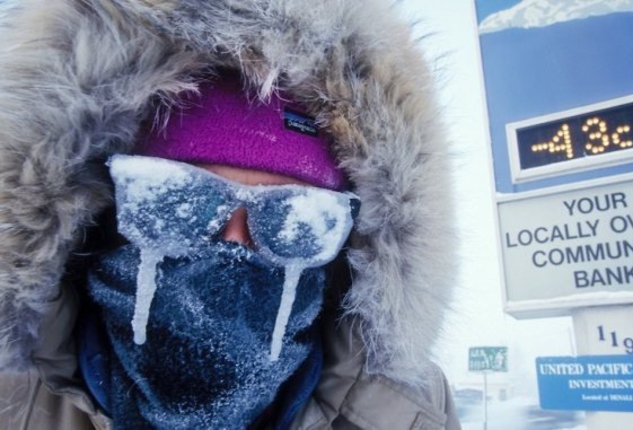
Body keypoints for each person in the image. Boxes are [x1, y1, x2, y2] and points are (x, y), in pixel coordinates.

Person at [0, 0, 461, 429]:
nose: (234, 247)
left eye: (295, 222)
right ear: (102, 206)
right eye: (176, 201)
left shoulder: (405, 412)